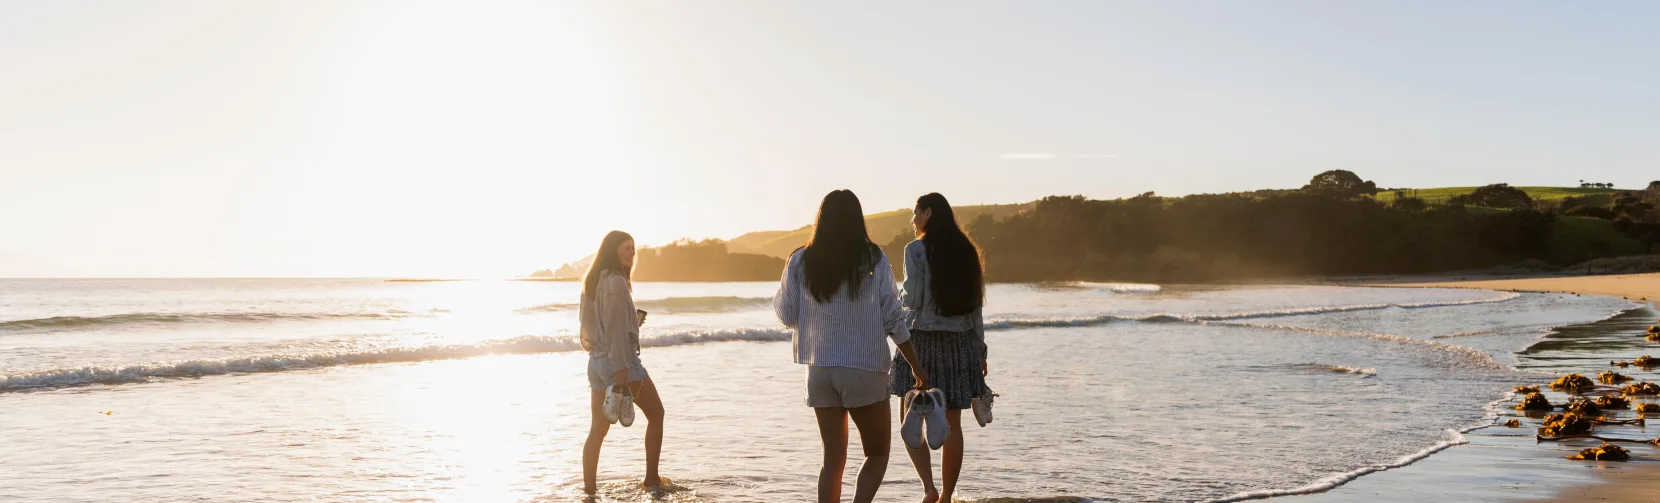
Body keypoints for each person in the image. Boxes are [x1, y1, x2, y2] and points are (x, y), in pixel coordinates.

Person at [774, 190, 930, 503]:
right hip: (863, 368)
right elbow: (893, 319)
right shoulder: (872, 258)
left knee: (832, 460)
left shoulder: (800, 260)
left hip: (819, 370)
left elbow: (787, 313)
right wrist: (916, 366)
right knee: (877, 453)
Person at [890, 193, 993, 503]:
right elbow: (976, 307)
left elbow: (913, 299)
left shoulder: (916, 251)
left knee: (910, 418)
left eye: (915, 213)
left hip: (920, 341)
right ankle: (947, 496)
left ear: (928, 213)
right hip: (959, 344)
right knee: (952, 423)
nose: (912, 220)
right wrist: (980, 351)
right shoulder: (967, 252)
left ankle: (929, 489)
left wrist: (892, 299)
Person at [580, 230, 666, 495]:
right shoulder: (616, 282)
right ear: (612, 250)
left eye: (633, 248)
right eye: (626, 248)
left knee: (597, 430)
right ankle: (651, 479)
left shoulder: (593, 281)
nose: (632, 253)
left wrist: (632, 322)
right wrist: (621, 371)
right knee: (657, 415)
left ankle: (590, 490)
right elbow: (616, 330)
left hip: (596, 363)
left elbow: (593, 327)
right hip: (621, 365)